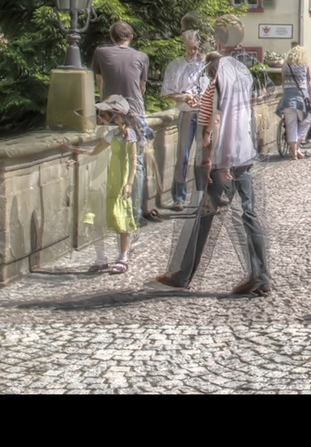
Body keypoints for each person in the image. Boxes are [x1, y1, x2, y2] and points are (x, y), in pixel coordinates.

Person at [157, 51, 272, 295]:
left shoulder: (213, 89)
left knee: (204, 215)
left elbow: (214, 124)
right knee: (247, 214)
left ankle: (183, 274)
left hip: (223, 161)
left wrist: (211, 160)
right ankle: (260, 275)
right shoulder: (239, 90)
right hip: (243, 156)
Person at [61, 94, 143, 274]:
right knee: (97, 218)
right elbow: (95, 151)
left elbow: (133, 160)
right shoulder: (111, 134)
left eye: (105, 114)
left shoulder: (128, 134)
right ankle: (101, 258)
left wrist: (129, 183)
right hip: (108, 180)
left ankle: (123, 257)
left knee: (121, 219)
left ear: (116, 115)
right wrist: (75, 155)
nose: (102, 117)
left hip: (120, 181)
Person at [92, 22, 157, 223]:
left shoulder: (100, 53)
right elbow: (142, 87)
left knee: (109, 163)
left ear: (112, 38)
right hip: (135, 114)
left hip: (110, 115)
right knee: (136, 164)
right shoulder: (141, 57)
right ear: (131, 37)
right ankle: (135, 214)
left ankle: (108, 211)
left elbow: (99, 82)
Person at [161, 29, 208, 207]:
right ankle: (179, 197)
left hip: (205, 114)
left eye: (195, 48)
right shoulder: (175, 66)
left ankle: (203, 196)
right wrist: (184, 97)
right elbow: (167, 92)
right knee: (183, 156)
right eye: (189, 48)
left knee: (204, 156)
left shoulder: (207, 66)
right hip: (187, 113)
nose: (193, 52)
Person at [276, 45, 311, 160]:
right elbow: (309, 81)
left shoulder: (285, 65)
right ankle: (297, 147)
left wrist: (286, 92)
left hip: (288, 99)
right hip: (300, 99)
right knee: (306, 121)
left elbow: (283, 82)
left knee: (291, 126)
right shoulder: (304, 65)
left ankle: (294, 153)